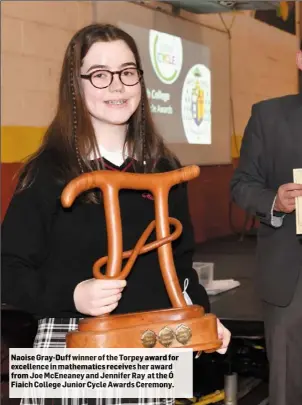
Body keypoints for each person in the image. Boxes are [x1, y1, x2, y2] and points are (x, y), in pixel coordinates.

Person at [2, 24, 230, 405]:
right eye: (100, 75)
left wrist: (202, 316)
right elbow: (7, 268)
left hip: (149, 342)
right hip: (69, 342)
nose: (117, 86)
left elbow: (181, 265)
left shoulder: (163, 166)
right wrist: (73, 294)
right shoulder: (48, 171)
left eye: (127, 72)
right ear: (75, 86)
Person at [230, 90, 302, 405]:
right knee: (287, 383)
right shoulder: (268, 116)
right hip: (290, 270)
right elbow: (242, 184)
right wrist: (275, 201)